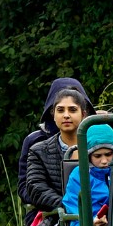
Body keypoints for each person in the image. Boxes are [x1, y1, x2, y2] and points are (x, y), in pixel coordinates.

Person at [17, 78, 92, 217]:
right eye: (61, 110)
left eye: (73, 109)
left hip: (98, 212)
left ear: (83, 113)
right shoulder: (38, 148)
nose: (66, 115)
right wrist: (68, 206)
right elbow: (34, 187)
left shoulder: (98, 146)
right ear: (53, 113)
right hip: (53, 214)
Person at [60, 125, 113, 226]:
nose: (104, 161)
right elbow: (74, 214)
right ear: (88, 156)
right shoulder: (79, 175)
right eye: (97, 156)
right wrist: (91, 223)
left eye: (109, 154)